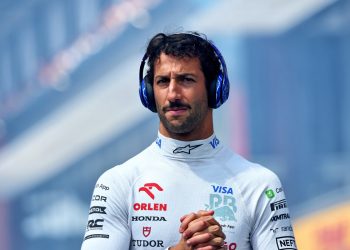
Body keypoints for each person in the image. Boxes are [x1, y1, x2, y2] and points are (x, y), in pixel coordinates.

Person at [81, 32, 297, 250]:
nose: (173, 93)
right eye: (163, 81)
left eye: (186, 80)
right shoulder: (117, 183)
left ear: (215, 89)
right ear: (148, 93)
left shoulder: (261, 184)